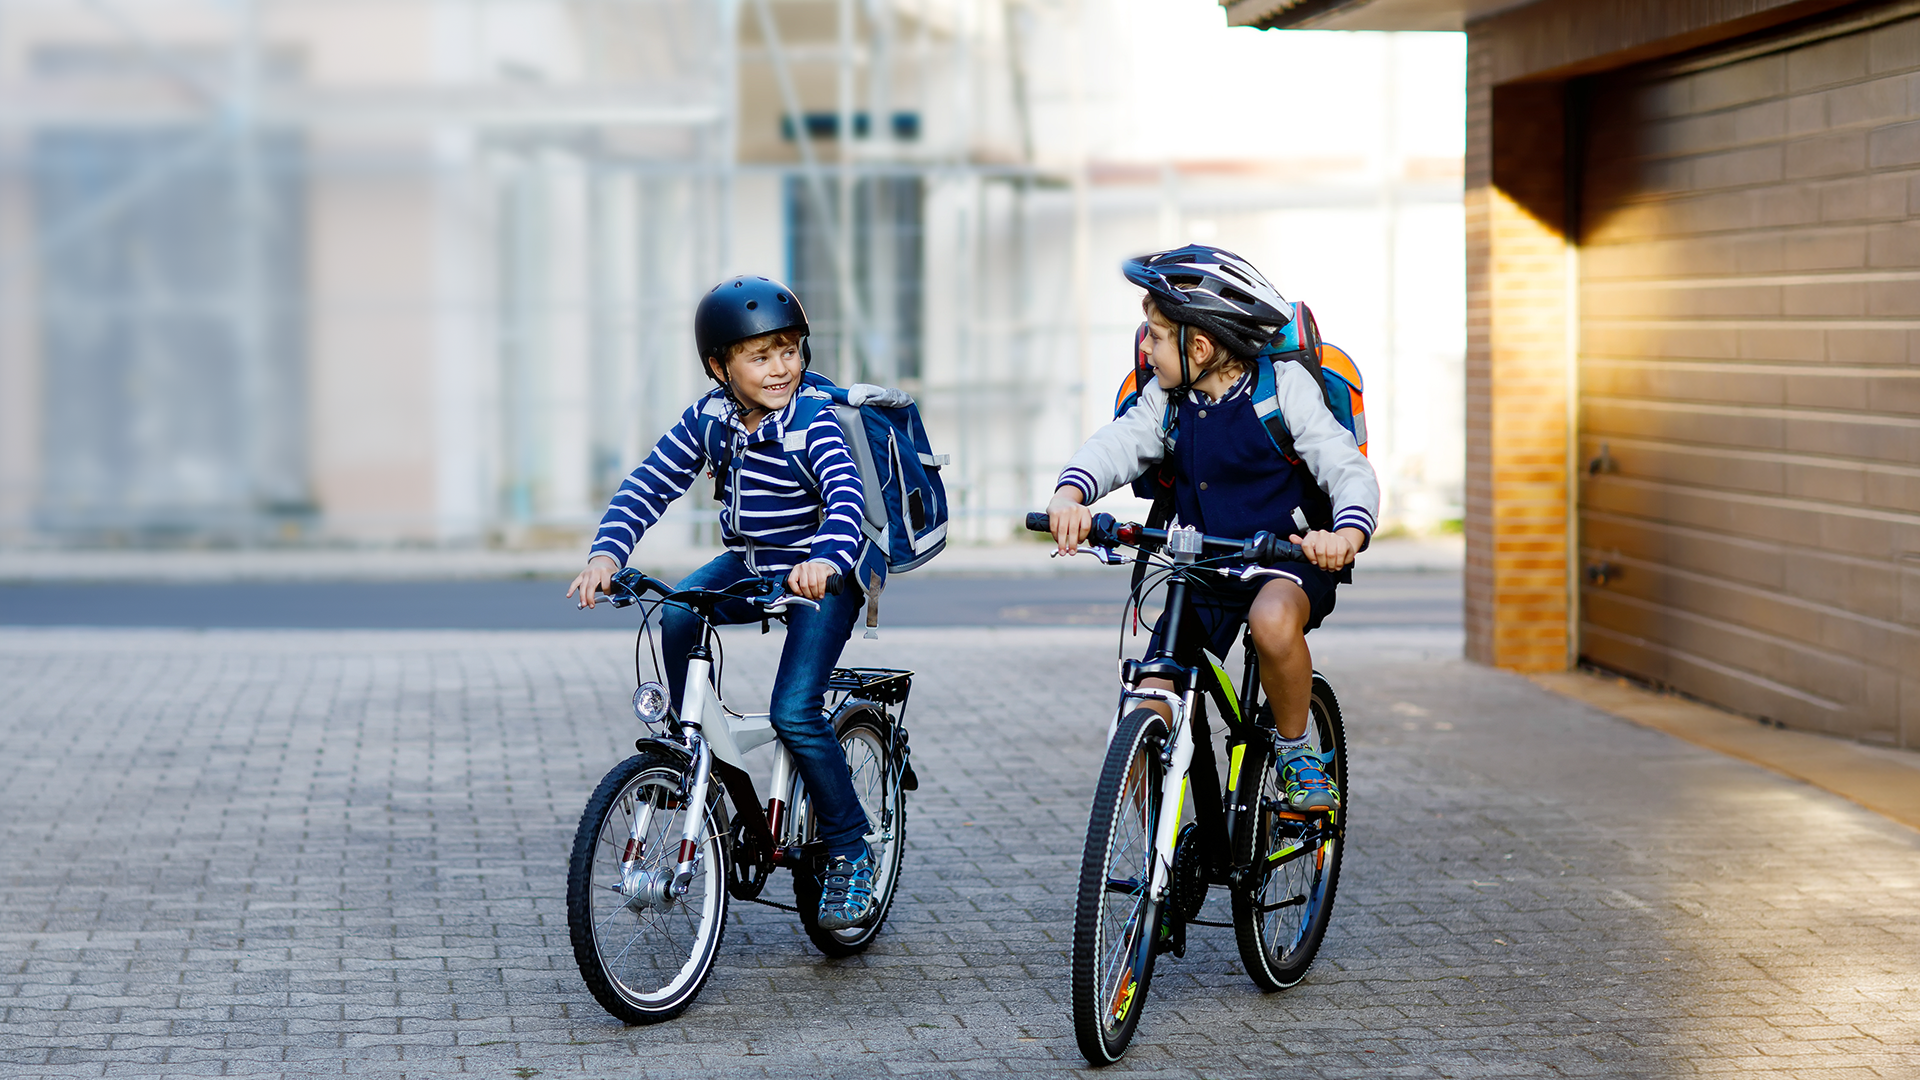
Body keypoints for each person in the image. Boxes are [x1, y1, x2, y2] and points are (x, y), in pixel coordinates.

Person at [565, 274, 878, 931]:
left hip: (826, 572)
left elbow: (847, 499)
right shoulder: (710, 419)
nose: (780, 368)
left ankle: (851, 849)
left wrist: (824, 560)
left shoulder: (814, 422)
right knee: (677, 609)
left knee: (796, 711)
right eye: (760, 356)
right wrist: (606, 555)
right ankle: (690, 744)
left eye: (789, 350)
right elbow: (650, 482)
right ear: (719, 366)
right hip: (751, 563)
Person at [1045, 245, 1380, 811]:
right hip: (1201, 565)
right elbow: (1118, 444)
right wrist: (1071, 492)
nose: (1144, 350)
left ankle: (1297, 750)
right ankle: (1156, 839)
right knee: (1151, 690)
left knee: (1272, 623)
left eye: (1153, 335)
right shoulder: (1167, 401)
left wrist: (1344, 534)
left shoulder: (1283, 390)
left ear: (1199, 346)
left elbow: (1345, 466)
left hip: (1290, 559)